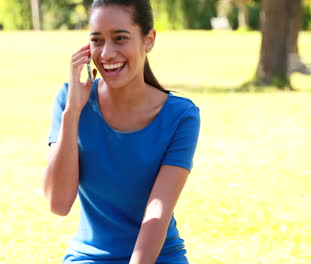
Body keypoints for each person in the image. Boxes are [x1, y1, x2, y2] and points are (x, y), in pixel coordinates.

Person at [44, 0, 200, 263]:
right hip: (89, 257)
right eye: (97, 40)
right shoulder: (69, 101)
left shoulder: (180, 115)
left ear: (148, 40)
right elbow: (58, 204)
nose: (106, 53)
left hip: (157, 256)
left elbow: (157, 214)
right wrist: (72, 114)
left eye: (120, 38)